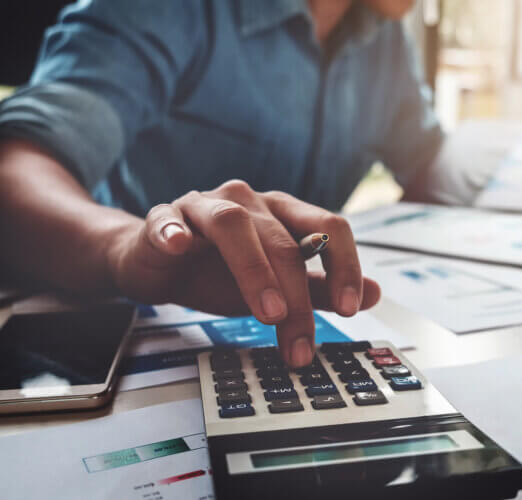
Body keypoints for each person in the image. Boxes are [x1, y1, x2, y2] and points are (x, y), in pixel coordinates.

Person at [0, 0, 453, 367]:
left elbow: (427, 162)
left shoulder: (385, 36)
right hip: (116, 338)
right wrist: (122, 248)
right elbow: (16, 164)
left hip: (282, 341)